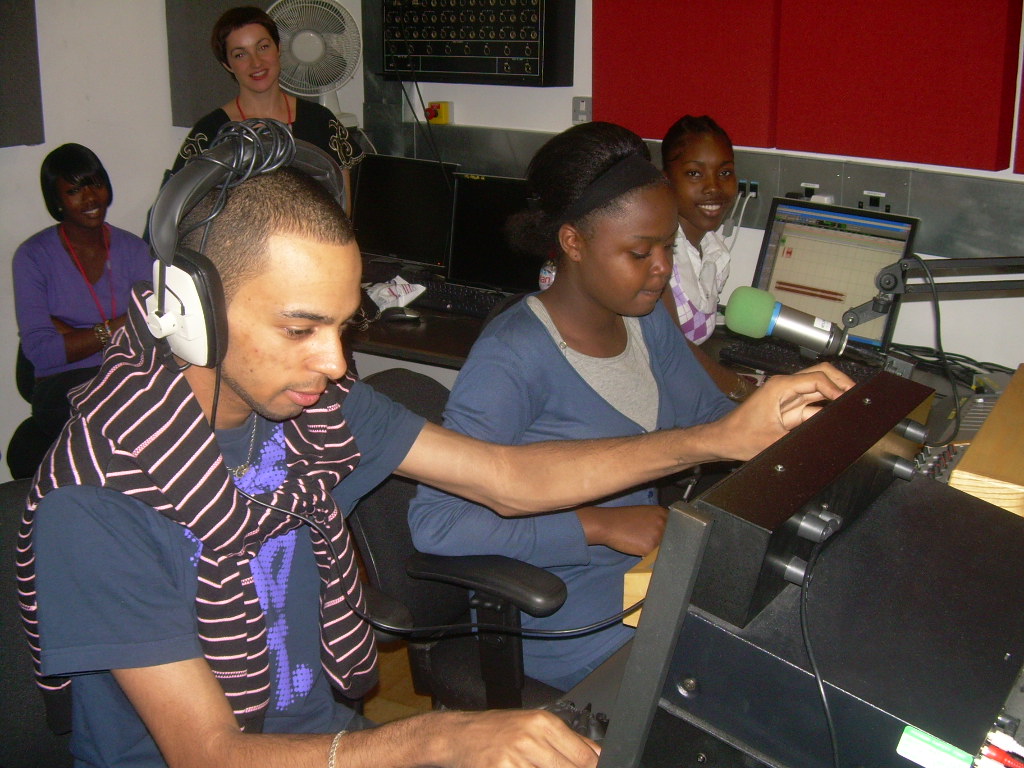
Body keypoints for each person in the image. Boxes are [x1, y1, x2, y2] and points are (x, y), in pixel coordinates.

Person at [17, 127, 850, 768]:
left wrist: (715, 437)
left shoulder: (315, 413)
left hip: (330, 743)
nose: (335, 363)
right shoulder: (98, 498)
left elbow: (506, 477)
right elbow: (209, 753)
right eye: (301, 328)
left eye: (343, 326)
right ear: (192, 313)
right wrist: (438, 738)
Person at [407, 121, 741, 691]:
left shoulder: (645, 320)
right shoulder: (512, 356)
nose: (662, 268)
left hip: (647, 585)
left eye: (668, 246)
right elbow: (437, 523)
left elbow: (713, 421)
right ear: (573, 242)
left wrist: (780, 422)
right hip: (566, 616)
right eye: (640, 252)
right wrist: (599, 525)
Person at [9, 143, 152, 479]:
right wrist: (117, 326)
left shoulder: (134, 250)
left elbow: (152, 331)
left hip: (126, 375)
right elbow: (41, 352)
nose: (90, 198)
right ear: (56, 200)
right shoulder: (32, 257)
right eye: (74, 191)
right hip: (61, 387)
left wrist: (73, 335)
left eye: (95, 184)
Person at [170, 6, 362, 210]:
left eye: (263, 47)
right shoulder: (210, 132)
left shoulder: (320, 121)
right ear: (227, 64)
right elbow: (175, 206)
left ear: (278, 48)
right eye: (240, 55)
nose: (256, 63)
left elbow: (345, 208)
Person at [660, 114, 756, 401]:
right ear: (666, 180)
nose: (714, 187)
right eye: (694, 173)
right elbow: (672, 351)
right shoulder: (656, 257)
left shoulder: (715, 252)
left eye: (724, 173)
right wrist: (745, 392)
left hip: (682, 393)